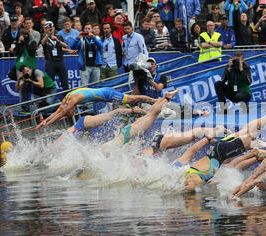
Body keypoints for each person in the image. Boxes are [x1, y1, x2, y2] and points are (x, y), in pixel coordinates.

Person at [182, 106, 266, 192]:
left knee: (250, 136)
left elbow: (191, 190)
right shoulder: (187, 174)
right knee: (244, 132)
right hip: (216, 150)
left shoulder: (191, 180)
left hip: (220, 152)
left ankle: (265, 125)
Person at [36, 87, 168, 130]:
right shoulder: (65, 101)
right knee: (133, 100)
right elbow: (57, 113)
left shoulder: (72, 100)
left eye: (73, 112)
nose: (73, 113)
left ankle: (155, 101)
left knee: (133, 99)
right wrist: (45, 121)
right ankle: (153, 102)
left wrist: (47, 123)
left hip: (107, 95)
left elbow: (61, 114)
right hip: (102, 94)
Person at [101, 90, 179, 150]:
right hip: (127, 131)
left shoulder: (125, 111)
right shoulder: (125, 111)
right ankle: (165, 98)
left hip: (127, 133)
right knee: (151, 114)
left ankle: (166, 98)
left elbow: (121, 126)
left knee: (151, 115)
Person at [40, 21, 69, 96]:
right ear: (44, 29)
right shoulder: (44, 37)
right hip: (50, 62)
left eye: (51, 27)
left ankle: (66, 100)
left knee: (65, 83)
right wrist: (48, 35)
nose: (49, 29)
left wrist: (57, 40)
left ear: (54, 28)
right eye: (47, 28)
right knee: (50, 83)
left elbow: (65, 45)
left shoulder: (59, 36)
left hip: (60, 61)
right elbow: (42, 43)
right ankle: (50, 102)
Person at [71, 22, 103, 86]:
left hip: (95, 66)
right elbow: (72, 47)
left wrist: (93, 37)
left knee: (96, 86)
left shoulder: (96, 38)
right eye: (86, 29)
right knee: (84, 86)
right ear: (84, 29)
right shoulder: (81, 39)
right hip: (85, 66)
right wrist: (77, 38)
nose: (87, 30)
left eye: (89, 28)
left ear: (92, 29)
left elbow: (101, 46)